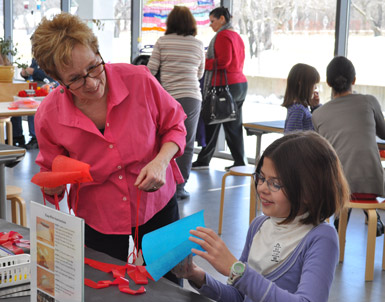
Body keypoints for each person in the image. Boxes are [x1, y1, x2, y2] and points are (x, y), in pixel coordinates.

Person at [31, 13, 187, 284]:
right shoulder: (49, 115)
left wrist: (161, 161)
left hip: (157, 202)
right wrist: (53, 187)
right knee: (102, 294)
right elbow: (50, 170)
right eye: (76, 79)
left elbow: (175, 125)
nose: (91, 83)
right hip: (99, 215)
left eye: (93, 67)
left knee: (171, 289)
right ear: (57, 79)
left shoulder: (138, 80)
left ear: (99, 53)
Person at [173, 131, 350, 302]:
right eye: (262, 178)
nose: (262, 188)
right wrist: (198, 276)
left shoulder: (320, 238)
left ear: (308, 191)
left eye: (276, 183)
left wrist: (236, 270)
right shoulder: (259, 225)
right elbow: (241, 300)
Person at [312, 56, 385, 235]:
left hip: (336, 189)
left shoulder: (318, 115)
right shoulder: (369, 102)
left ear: (328, 83)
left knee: (343, 177)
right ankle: (373, 216)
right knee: (357, 177)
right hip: (373, 186)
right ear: (354, 80)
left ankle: (339, 226)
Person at [147, 6, 205, 200]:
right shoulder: (197, 44)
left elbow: (150, 70)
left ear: (170, 22)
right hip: (191, 96)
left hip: (167, 98)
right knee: (186, 143)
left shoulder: (162, 42)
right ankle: (180, 187)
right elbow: (200, 74)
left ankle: (162, 183)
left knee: (163, 141)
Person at [192, 7, 248, 171]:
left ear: (222, 19)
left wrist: (203, 62)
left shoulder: (223, 36)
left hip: (225, 85)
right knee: (232, 124)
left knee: (212, 120)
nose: (210, 25)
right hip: (239, 84)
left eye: (212, 21)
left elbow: (223, 62)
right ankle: (239, 161)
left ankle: (204, 160)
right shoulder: (236, 36)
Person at [11, 58, 57, 149]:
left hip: (49, 87)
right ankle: (18, 137)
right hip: (35, 87)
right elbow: (32, 76)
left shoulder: (52, 56)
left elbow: (52, 75)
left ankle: (35, 137)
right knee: (17, 104)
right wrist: (24, 74)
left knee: (33, 108)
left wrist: (33, 71)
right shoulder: (35, 59)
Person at [282, 63, 320, 134]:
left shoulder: (301, 108)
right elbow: (291, 139)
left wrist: (315, 106)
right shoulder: (298, 110)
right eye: (313, 84)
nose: (315, 87)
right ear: (301, 83)